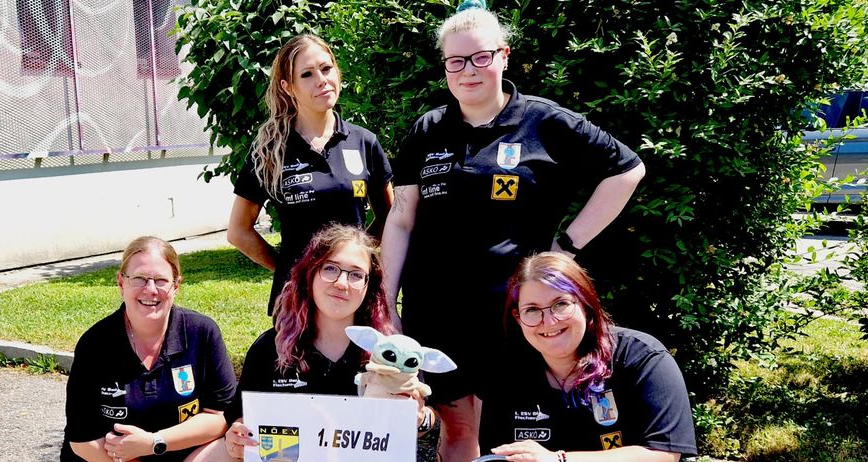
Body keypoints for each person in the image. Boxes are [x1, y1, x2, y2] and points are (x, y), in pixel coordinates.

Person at [380, 3, 646, 460]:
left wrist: (566, 248)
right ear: (445, 67)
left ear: (504, 56)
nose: (469, 71)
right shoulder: (427, 130)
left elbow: (627, 171)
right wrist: (386, 302)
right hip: (437, 311)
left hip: (518, 317)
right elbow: (401, 219)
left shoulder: (545, 122)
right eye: (456, 61)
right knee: (457, 432)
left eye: (481, 57)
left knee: (517, 437)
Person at [198, 224, 435, 460]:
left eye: (356, 274)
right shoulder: (270, 348)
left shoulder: (391, 351)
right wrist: (236, 439)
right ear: (309, 274)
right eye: (330, 269)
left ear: (369, 286)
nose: (342, 283)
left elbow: (426, 416)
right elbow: (242, 419)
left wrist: (419, 418)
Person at [228, 34, 394, 316]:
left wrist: (358, 258)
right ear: (288, 87)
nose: (321, 80)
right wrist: (294, 269)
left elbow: (391, 216)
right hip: (297, 297)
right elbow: (239, 232)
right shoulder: (270, 149)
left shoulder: (364, 142)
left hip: (352, 294)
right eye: (307, 74)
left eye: (326, 68)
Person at [478, 252, 696, 461]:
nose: (549, 321)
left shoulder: (642, 357)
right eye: (532, 310)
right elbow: (497, 457)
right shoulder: (506, 373)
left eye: (560, 304)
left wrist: (558, 460)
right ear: (518, 318)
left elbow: (663, 455)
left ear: (586, 304)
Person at [61, 236, 237, 462]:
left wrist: (154, 442)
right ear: (121, 283)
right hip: (110, 460)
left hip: (180, 454)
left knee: (233, 451)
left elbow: (220, 417)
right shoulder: (95, 344)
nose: (150, 289)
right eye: (139, 279)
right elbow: (83, 440)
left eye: (161, 280)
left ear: (176, 285)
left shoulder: (201, 332)